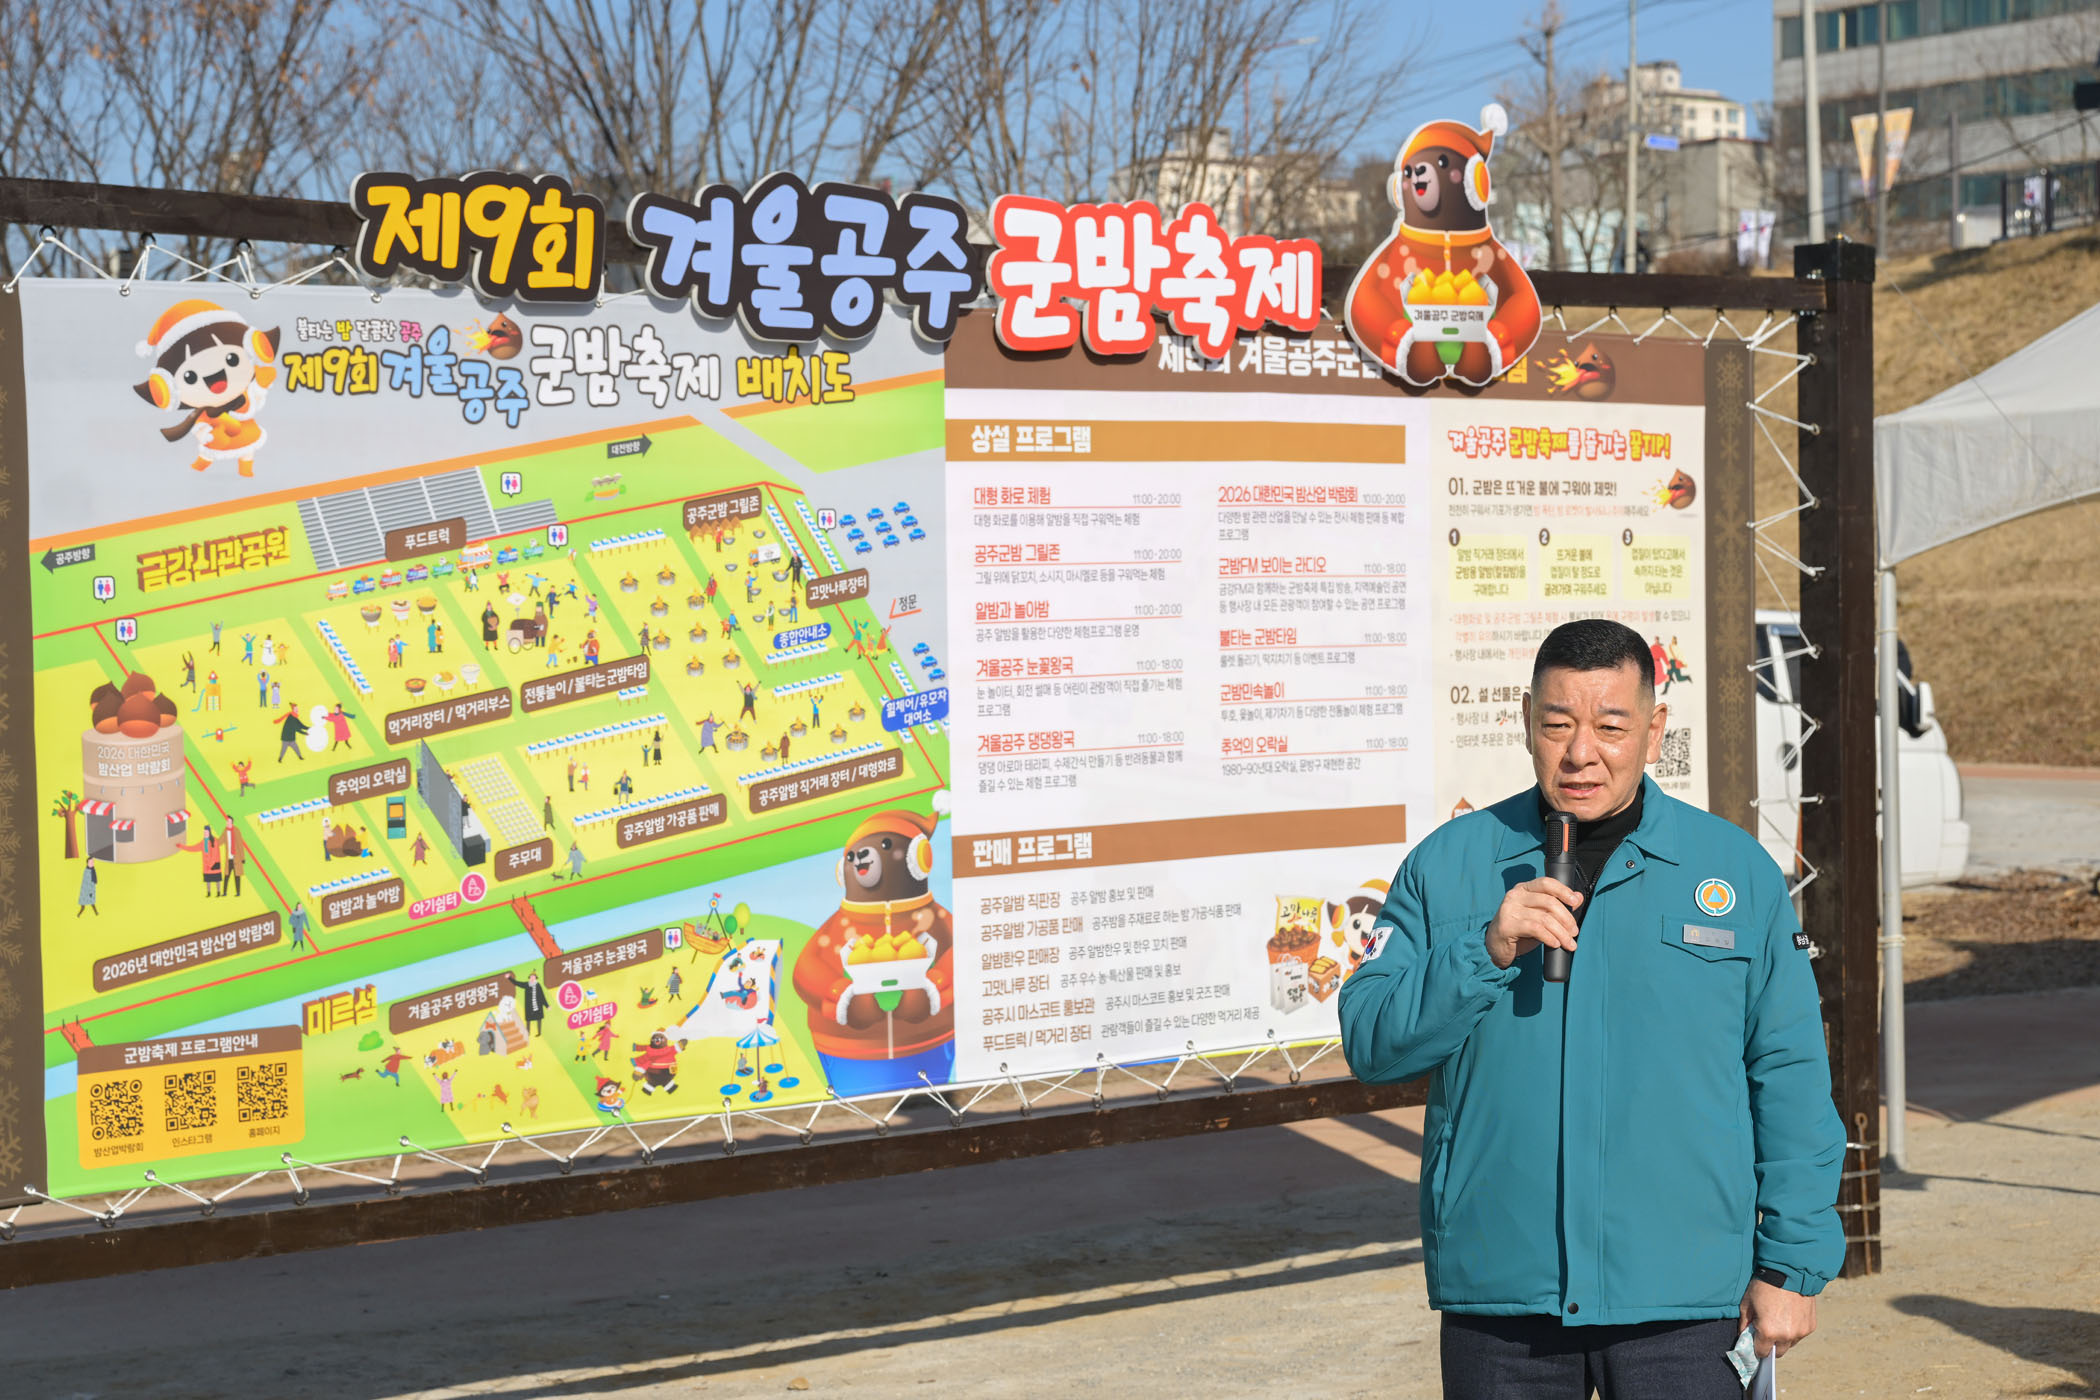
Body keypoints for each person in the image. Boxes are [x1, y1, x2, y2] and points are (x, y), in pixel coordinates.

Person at [1338, 619, 1842, 1397]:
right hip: (1504, 1295)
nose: (1581, 753)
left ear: (1654, 730)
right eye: (1557, 725)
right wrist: (1485, 950)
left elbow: (1791, 1075)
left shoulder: (1733, 870)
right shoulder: (1450, 863)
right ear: (1525, 723)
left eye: (1611, 726)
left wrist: (1792, 1264)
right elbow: (1372, 1043)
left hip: (1686, 1295)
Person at [504, 970, 549, 1038]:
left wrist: (547, 1005)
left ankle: (539, 1033)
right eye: (531, 977)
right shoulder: (527, 984)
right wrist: (509, 977)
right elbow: (517, 983)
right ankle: (528, 1033)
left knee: (539, 1019)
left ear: (536, 978)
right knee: (528, 1020)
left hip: (537, 1006)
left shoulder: (538, 985)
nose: (532, 978)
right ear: (529, 977)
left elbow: (542, 996)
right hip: (529, 1007)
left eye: (533, 977)